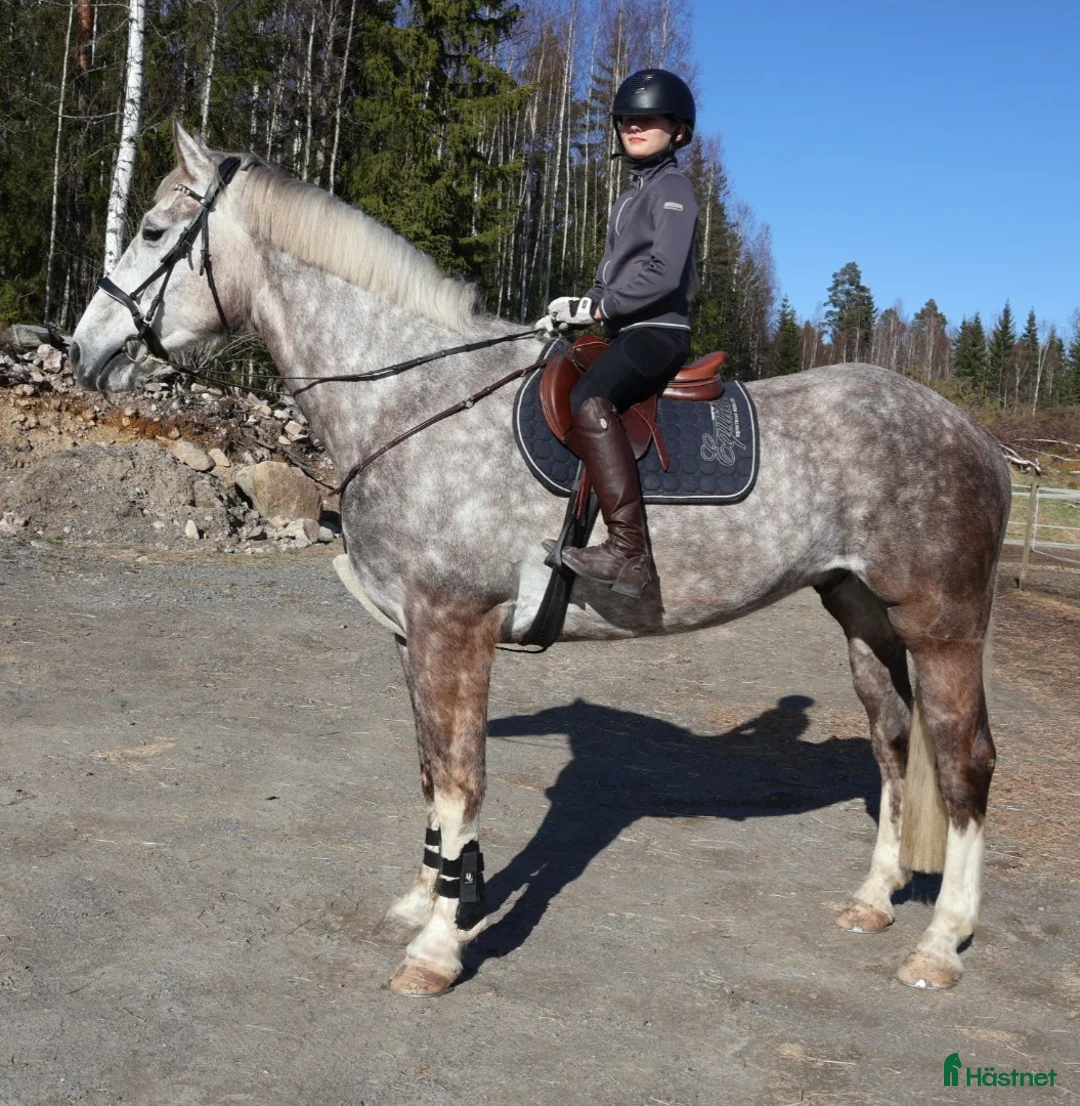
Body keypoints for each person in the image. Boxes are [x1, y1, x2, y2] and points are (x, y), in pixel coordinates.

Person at [535, 68, 698, 598]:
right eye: (627, 118)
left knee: (590, 397)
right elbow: (615, 277)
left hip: (657, 331)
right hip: (622, 327)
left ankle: (629, 552)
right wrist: (570, 310)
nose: (634, 125)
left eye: (648, 118)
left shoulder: (673, 189)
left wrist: (599, 305)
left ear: (678, 129)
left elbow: (662, 273)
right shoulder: (633, 195)